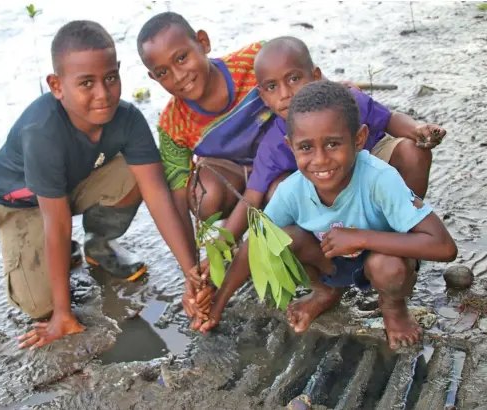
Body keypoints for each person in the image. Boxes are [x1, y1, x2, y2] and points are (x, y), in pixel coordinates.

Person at [0, 20, 197, 349]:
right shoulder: (42, 132)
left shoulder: (128, 119)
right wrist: (63, 315)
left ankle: (98, 245)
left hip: (74, 184)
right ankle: (57, 260)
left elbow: (158, 196)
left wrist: (192, 275)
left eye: (110, 78)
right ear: (57, 86)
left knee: (139, 171)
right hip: (24, 205)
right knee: (41, 306)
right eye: (86, 83)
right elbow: (56, 223)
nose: (103, 93)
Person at [199, 80, 457, 349]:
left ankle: (393, 307)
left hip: (384, 258)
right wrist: (218, 302)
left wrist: (362, 238)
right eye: (306, 147)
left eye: (333, 144)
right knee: (280, 238)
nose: (320, 160)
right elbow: (255, 242)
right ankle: (325, 291)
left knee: (386, 267)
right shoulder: (291, 190)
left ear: (359, 139)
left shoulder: (380, 178)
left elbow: (444, 247)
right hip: (330, 261)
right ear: (291, 146)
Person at [220, 36, 447, 245]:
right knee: (276, 192)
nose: (285, 93)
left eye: (294, 79)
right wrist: (222, 247)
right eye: (272, 87)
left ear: (316, 76)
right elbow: (252, 197)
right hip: (330, 188)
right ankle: (324, 249)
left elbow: (389, 119)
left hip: (372, 168)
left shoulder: (345, 101)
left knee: (413, 151)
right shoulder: (273, 144)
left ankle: (403, 234)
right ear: (263, 96)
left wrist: (416, 130)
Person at [136, 11, 274, 327]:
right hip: (235, 175)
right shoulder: (173, 124)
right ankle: (240, 231)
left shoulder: (257, 60)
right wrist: (193, 274)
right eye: (163, 72)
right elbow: (177, 199)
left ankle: (258, 231)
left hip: (284, 164)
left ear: (203, 42)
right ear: (154, 79)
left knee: (278, 189)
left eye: (182, 57)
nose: (178, 75)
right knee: (202, 195)